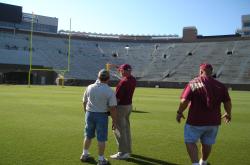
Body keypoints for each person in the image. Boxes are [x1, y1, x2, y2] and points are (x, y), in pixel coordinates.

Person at [176, 63, 232, 165]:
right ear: (212, 72)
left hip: (195, 121)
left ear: (201, 71)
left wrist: (179, 112)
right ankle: (203, 162)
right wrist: (228, 113)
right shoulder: (220, 85)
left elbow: (184, 101)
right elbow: (227, 103)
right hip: (214, 122)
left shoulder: (195, 82)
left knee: (190, 141)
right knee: (207, 143)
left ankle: (196, 164)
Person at [80, 69, 117, 165]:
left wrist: (86, 113)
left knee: (88, 135)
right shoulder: (109, 91)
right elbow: (112, 108)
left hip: (89, 113)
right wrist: (114, 120)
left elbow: (84, 102)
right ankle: (101, 159)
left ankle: (84, 154)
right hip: (102, 115)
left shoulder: (90, 87)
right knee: (101, 138)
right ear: (108, 78)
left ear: (98, 77)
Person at [110, 64, 136, 159]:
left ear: (124, 71)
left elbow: (117, 99)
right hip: (129, 106)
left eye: (121, 70)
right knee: (126, 129)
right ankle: (128, 150)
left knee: (117, 129)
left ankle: (122, 152)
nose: (120, 72)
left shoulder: (123, 82)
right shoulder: (133, 79)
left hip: (121, 107)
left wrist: (111, 110)